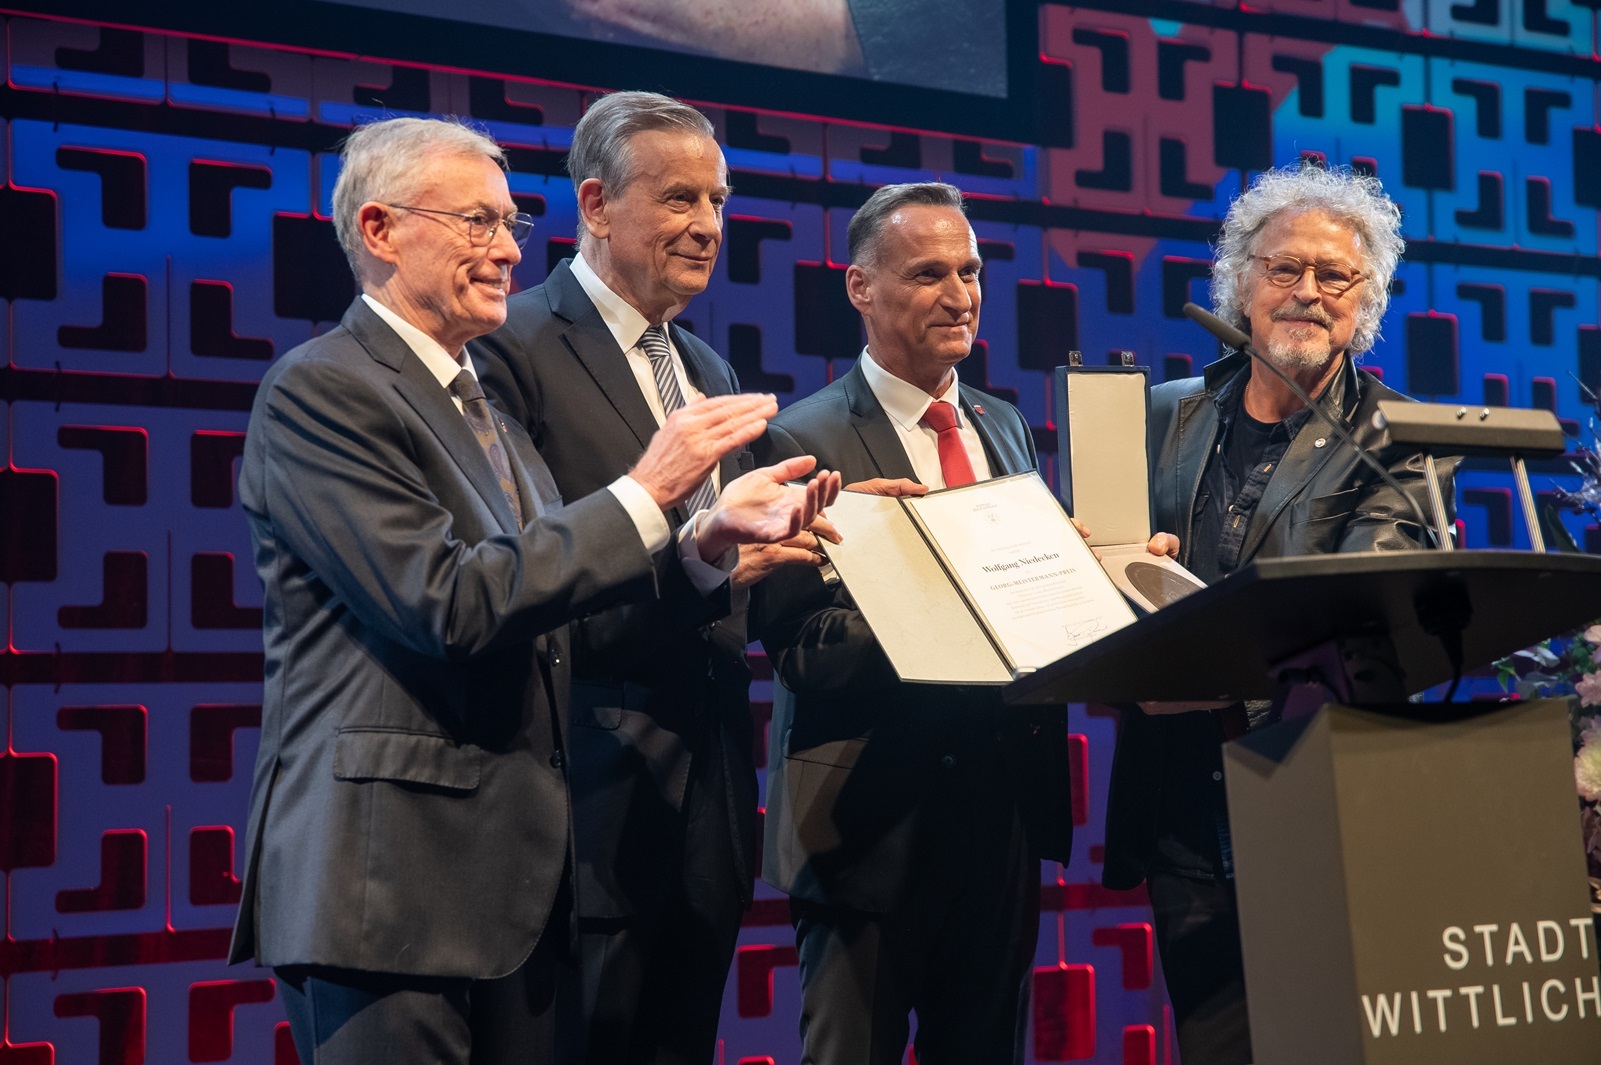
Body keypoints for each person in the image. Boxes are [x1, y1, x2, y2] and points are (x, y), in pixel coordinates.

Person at [228, 114, 837, 1065]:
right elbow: (446, 602)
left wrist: (702, 547)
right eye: (477, 222)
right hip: (390, 889)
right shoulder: (323, 390)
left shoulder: (480, 409)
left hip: (508, 885)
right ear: (380, 231)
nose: (510, 248)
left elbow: (544, 605)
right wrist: (648, 489)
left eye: (510, 223)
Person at [752, 181, 1175, 1064]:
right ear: (860, 288)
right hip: (863, 827)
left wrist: (1106, 579)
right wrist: (938, 593)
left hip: (999, 820)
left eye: (971, 270)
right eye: (929, 272)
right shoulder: (798, 439)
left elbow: (1028, 618)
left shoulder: (1005, 425)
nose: (960, 293)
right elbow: (798, 653)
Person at [474, 91, 832, 1064]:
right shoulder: (510, 351)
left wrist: (780, 553)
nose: (707, 226)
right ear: (593, 204)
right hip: (580, 809)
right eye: (678, 200)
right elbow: (517, 588)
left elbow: (706, 583)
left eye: (717, 200)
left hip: (703, 812)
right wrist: (697, 558)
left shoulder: (706, 369)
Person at [1101, 163, 1457, 1065]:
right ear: (1239, 281)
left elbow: (1350, 614)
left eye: (1333, 275)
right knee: (1213, 1045)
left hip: (1319, 799)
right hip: (1181, 803)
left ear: (1364, 300)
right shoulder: (1155, 416)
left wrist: (1191, 671)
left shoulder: (1401, 435)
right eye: (1281, 267)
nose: (1305, 292)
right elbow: (1100, 577)